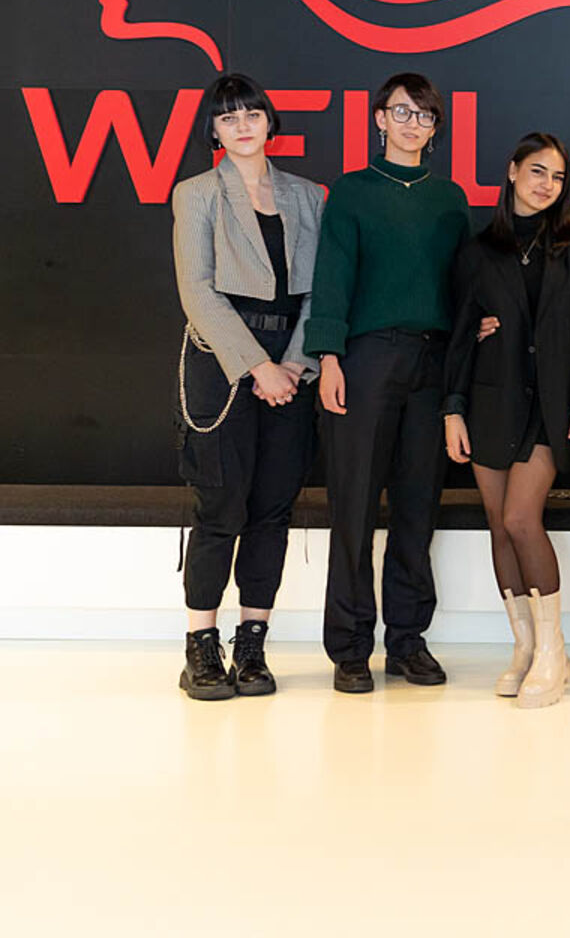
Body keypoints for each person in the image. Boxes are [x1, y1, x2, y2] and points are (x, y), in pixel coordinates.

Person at [305, 72, 470, 694]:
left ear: (435, 128)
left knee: (417, 508)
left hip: (431, 362)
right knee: (353, 508)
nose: (412, 124)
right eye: (401, 112)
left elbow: (463, 282)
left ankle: (407, 640)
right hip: (366, 357)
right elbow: (333, 275)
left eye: (424, 116)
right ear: (379, 119)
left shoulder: (449, 198)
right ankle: (350, 648)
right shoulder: (352, 191)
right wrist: (328, 357)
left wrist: (478, 324)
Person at [169, 73, 325, 699]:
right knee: (221, 507)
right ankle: (201, 648)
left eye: (251, 114)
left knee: (272, 510)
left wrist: (292, 365)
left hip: (292, 370)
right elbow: (198, 292)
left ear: (269, 122)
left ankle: (252, 646)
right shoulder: (197, 194)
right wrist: (259, 367)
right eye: (228, 117)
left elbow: (320, 291)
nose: (241, 126)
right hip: (224, 368)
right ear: (213, 130)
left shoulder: (307, 196)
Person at [443, 134, 570, 709]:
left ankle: (554, 652)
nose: (547, 185)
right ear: (512, 171)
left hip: (551, 406)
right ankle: (526, 646)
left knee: (520, 518)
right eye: (537, 172)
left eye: (557, 177)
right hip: (491, 400)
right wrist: (453, 407)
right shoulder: (478, 251)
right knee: (497, 523)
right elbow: (460, 334)